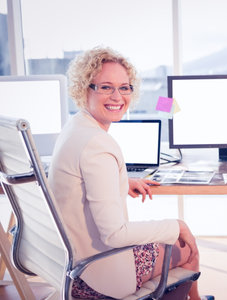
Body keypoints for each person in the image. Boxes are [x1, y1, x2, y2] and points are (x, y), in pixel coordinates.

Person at [48, 47, 212, 300]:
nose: (117, 96)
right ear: (84, 89)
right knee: (186, 245)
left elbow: (80, 184)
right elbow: (115, 234)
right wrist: (175, 226)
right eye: (105, 87)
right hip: (98, 275)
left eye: (124, 87)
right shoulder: (97, 144)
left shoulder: (74, 128)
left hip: (71, 267)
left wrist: (122, 182)